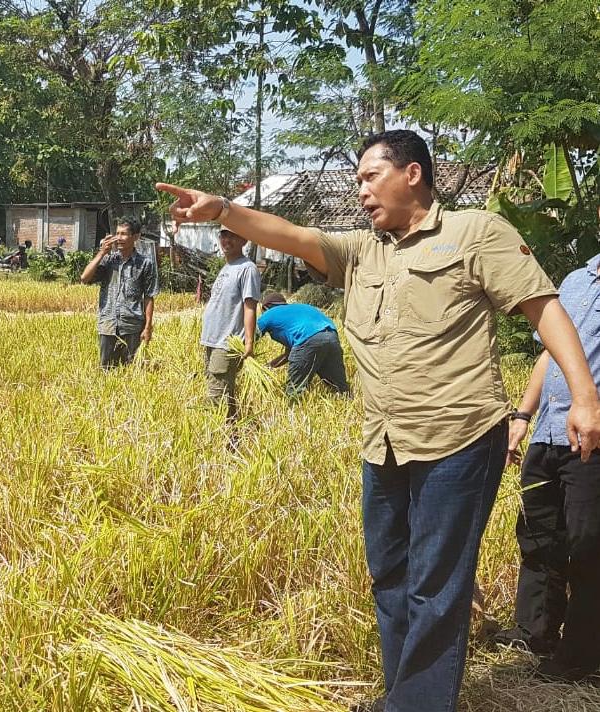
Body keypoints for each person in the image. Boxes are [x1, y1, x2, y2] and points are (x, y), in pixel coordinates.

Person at [157, 129, 600, 712]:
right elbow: (291, 236)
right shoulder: (364, 251)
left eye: (370, 177)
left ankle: (415, 705)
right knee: (390, 575)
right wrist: (225, 210)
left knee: (436, 585)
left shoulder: (475, 233)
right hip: (385, 441)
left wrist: (585, 397)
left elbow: (546, 311)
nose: (361, 191)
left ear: (412, 174)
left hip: (460, 438)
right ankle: (407, 692)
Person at [493, 247, 600, 681]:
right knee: (538, 536)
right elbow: (548, 354)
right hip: (548, 431)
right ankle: (534, 629)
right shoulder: (575, 279)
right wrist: (522, 415)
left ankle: (581, 655)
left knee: (588, 546)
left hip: (592, 435)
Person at [200, 229, 261, 421]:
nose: (226, 240)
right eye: (223, 236)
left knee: (216, 399)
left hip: (227, 343)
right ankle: (233, 437)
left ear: (244, 239)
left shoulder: (247, 268)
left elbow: (250, 306)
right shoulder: (227, 267)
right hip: (212, 340)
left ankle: (216, 440)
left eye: (232, 236)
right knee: (227, 394)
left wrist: (249, 343)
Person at [80, 216, 156, 369]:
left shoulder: (145, 263)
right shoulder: (108, 260)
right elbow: (84, 278)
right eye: (117, 233)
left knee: (132, 371)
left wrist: (148, 327)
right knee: (106, 371)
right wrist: (102, 253)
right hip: (108, 325)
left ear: (135, 237)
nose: (119, 238)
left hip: (132, 326)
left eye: (123, 234)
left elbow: (149, 296)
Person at [257, 291, 349, 395]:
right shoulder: (297, 310)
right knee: (339, 387)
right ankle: (345, 398)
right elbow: (290, 354)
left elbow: (251, 337)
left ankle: (293, 407)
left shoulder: (269, 314)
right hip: (332, 336)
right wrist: (270, 365)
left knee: (295, 390)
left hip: (308, 339)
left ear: (266, 307)